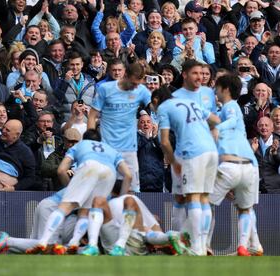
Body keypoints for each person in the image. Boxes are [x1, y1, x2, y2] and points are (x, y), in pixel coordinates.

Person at [25, 129, 132, 254]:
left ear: (84, 139)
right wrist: (122, 199)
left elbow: (61, 170)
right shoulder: (112, 150)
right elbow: (128, 175)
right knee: (89, 210)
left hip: (88, 167)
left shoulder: (80, 145)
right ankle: (81, 243)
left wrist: (70, 188)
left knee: (64, 207)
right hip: (110, 172)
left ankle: (43, 241)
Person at [155, 86, 220, 256]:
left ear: (155, 101)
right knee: (204, 198)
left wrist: (173, 161)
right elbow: (216, 119)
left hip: (192, 152)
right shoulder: (190, 102)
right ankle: (203, 244)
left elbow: (164, 142)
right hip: (211, 151)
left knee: (192, 197)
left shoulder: (163, 107)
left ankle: (196, 247)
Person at [208, 74, 261, 256]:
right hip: (249, 165)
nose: (215, 90)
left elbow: (230, 122)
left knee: (204, 204)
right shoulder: (228, 109)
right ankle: (249, 246)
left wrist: (216, 128)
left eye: (217, 87)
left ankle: (203, 245)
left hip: (232, 164)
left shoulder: (230, 107)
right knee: (245, 208)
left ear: (226, 89)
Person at [88, 62, 151, 192]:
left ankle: (128, 213)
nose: (135, 87)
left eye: (138, 84)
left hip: (130, 149)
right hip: (107, 147)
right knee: (106, 189)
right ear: (125, 75)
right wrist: (91, 141)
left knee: (132, 190)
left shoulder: (141, 90)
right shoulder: (105, 89)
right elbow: (92, 116)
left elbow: (158, 108)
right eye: (133, 83)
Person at [86, 194, 188, 256]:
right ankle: (92, 246)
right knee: (98, 200)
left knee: (98, 200)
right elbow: (156, 230)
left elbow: (154, 231)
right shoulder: (130, 198)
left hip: (130, 244)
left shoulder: (126, 199)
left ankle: (119, 246)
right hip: (115, 243)